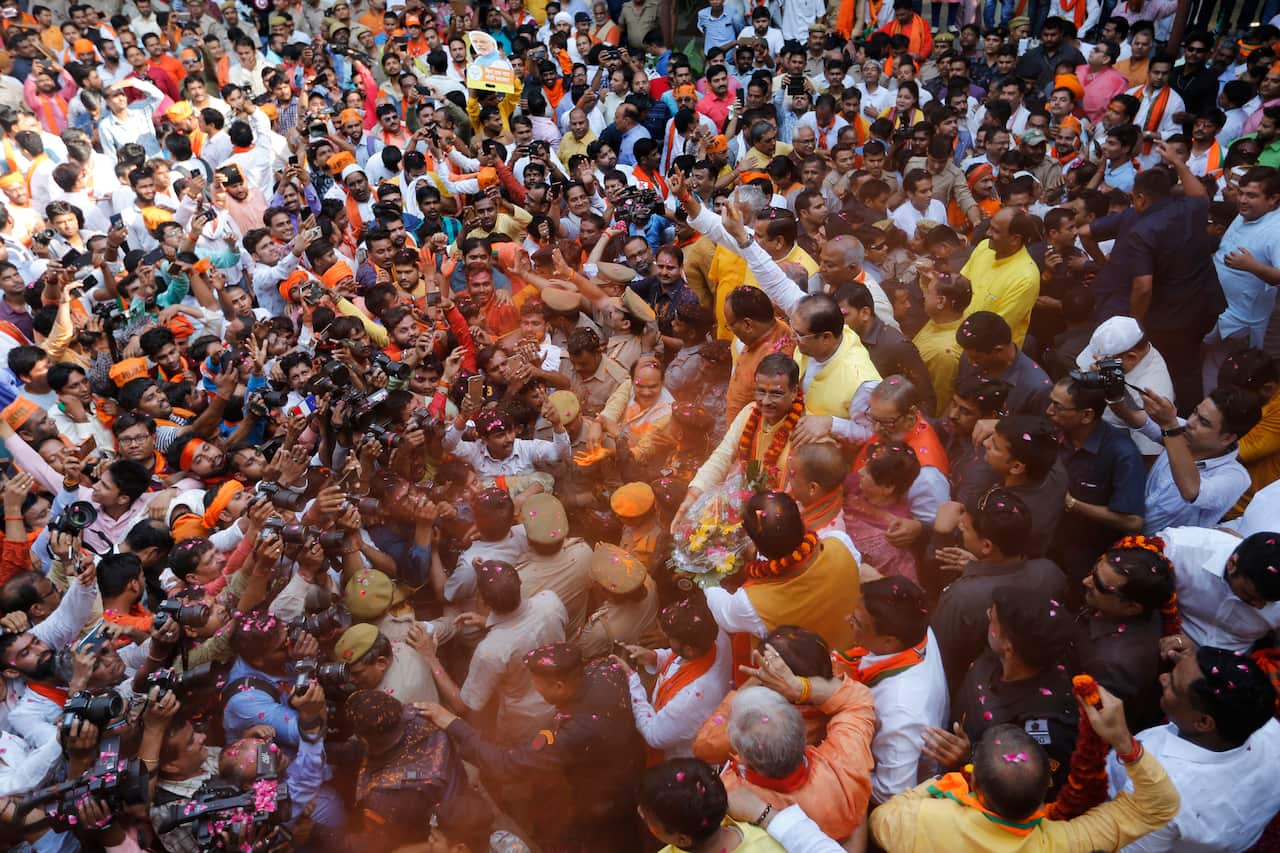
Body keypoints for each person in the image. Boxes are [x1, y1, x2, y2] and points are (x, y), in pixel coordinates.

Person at [871, 682, 1180, 851]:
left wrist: (940, 784)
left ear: (973, 783)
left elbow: (881, 820)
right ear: (1047, 786)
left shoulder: (926, 819)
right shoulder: (1064, 843)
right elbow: (1159, 806)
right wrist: (1122, 740)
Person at [1105, 647, 1280, 852]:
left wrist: (1119, 738)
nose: (1162, 678)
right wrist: (1187, 669)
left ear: (1204, 722)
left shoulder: (1160, 793)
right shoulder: (1270, 730)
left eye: (1174, 686)